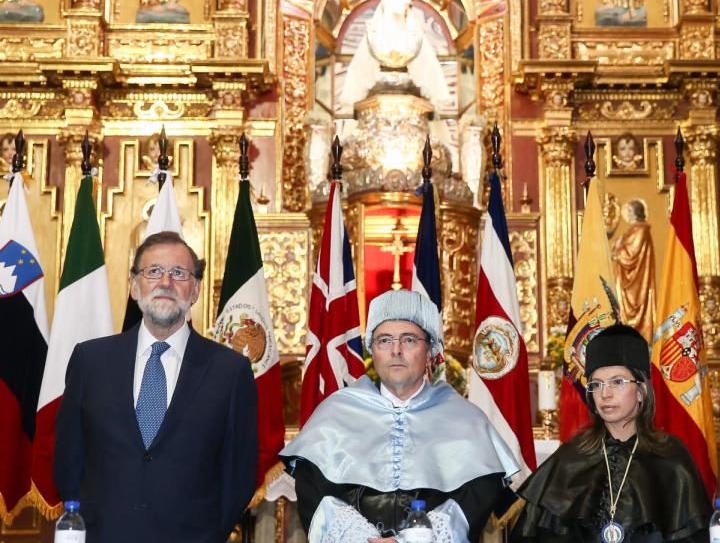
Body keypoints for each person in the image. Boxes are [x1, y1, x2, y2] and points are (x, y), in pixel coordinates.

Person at [53, 231, 258, 543]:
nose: (166, 282)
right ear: (135, 287)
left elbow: (239, 475)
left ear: (196, 290)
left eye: (179, 273)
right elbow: (68, 460)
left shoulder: (230, 372)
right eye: (153, 272)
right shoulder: (90, 359)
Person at [280, 289, 520, 543]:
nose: (396, 350)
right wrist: (362, 538)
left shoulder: (466, 419)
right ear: (372, 350)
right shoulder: (334, 413)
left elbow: (476, 496)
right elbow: (313, 490)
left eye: (409, 340)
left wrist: (413, 539)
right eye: (384, 340)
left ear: (430, 351)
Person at [512, 324, 711, 543]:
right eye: (596, 384)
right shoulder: (568, 459)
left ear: (641, 391)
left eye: (617, 382)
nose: (605, 394)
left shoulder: (672, 457)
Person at [612, 200, 656, 341]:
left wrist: (618, 251)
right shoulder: (632, 230)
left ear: (636, 213)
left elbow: (631, 254)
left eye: (629, 212)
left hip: (637, 281)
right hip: (627, 278)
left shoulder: (641, 230)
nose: (626, 215)